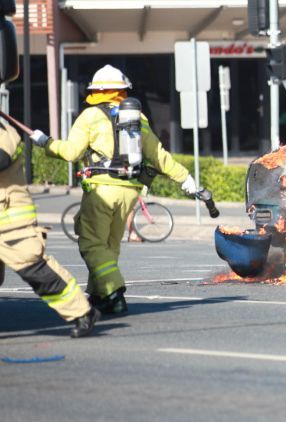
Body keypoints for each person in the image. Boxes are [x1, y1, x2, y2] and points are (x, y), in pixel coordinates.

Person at [31, 65, 197, 314]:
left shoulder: (89, 116)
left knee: (91, 244)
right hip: (130, 189)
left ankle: (115, 292)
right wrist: (187, 180)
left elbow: (71, 152)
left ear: (96, 91)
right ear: (122, 91)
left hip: (102, 190)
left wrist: (46, 143)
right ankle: (99, 295)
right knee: (109, 246)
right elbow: (158, 156)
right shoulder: (137, 118)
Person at [0, 117, 99, 337]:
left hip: (8, 218)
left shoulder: (3, 130)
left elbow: (2, 158)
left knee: (32, 267)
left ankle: (83, 312)